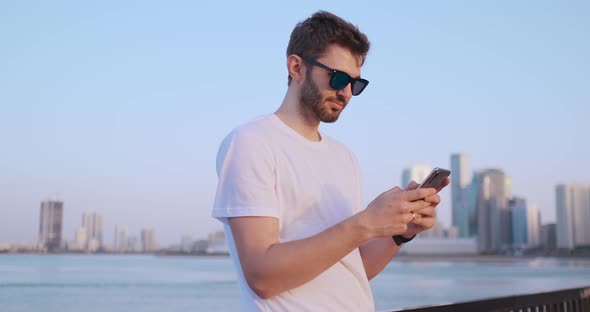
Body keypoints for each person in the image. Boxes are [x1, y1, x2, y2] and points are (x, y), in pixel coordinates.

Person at [212, 11, 450, 311]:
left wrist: (399, 233)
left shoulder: (345, 158)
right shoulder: (251, 143)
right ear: (297, 67)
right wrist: (366, 223)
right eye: (338, 78)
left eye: (356, 84)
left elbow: (352, 270)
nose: (347, 93)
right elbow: (262, 277)